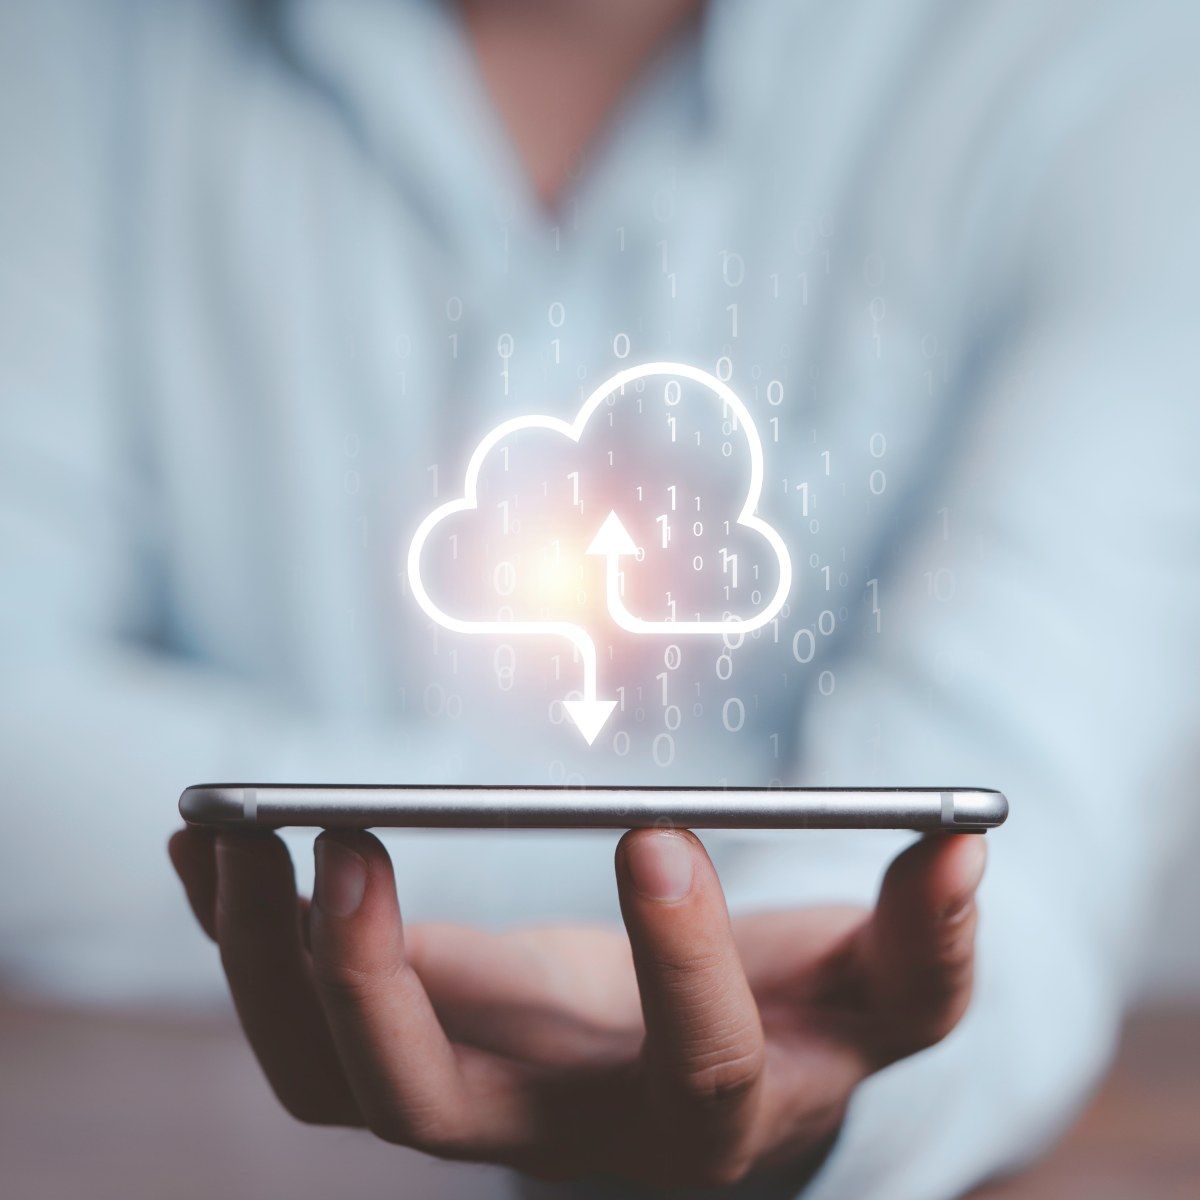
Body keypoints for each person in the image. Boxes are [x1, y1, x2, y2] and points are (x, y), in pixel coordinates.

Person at [3, 0, 1199, 1196]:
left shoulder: (1104, 65)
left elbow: (1029, 871)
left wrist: (789, 1023)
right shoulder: (76, 46)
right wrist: (729, 845)